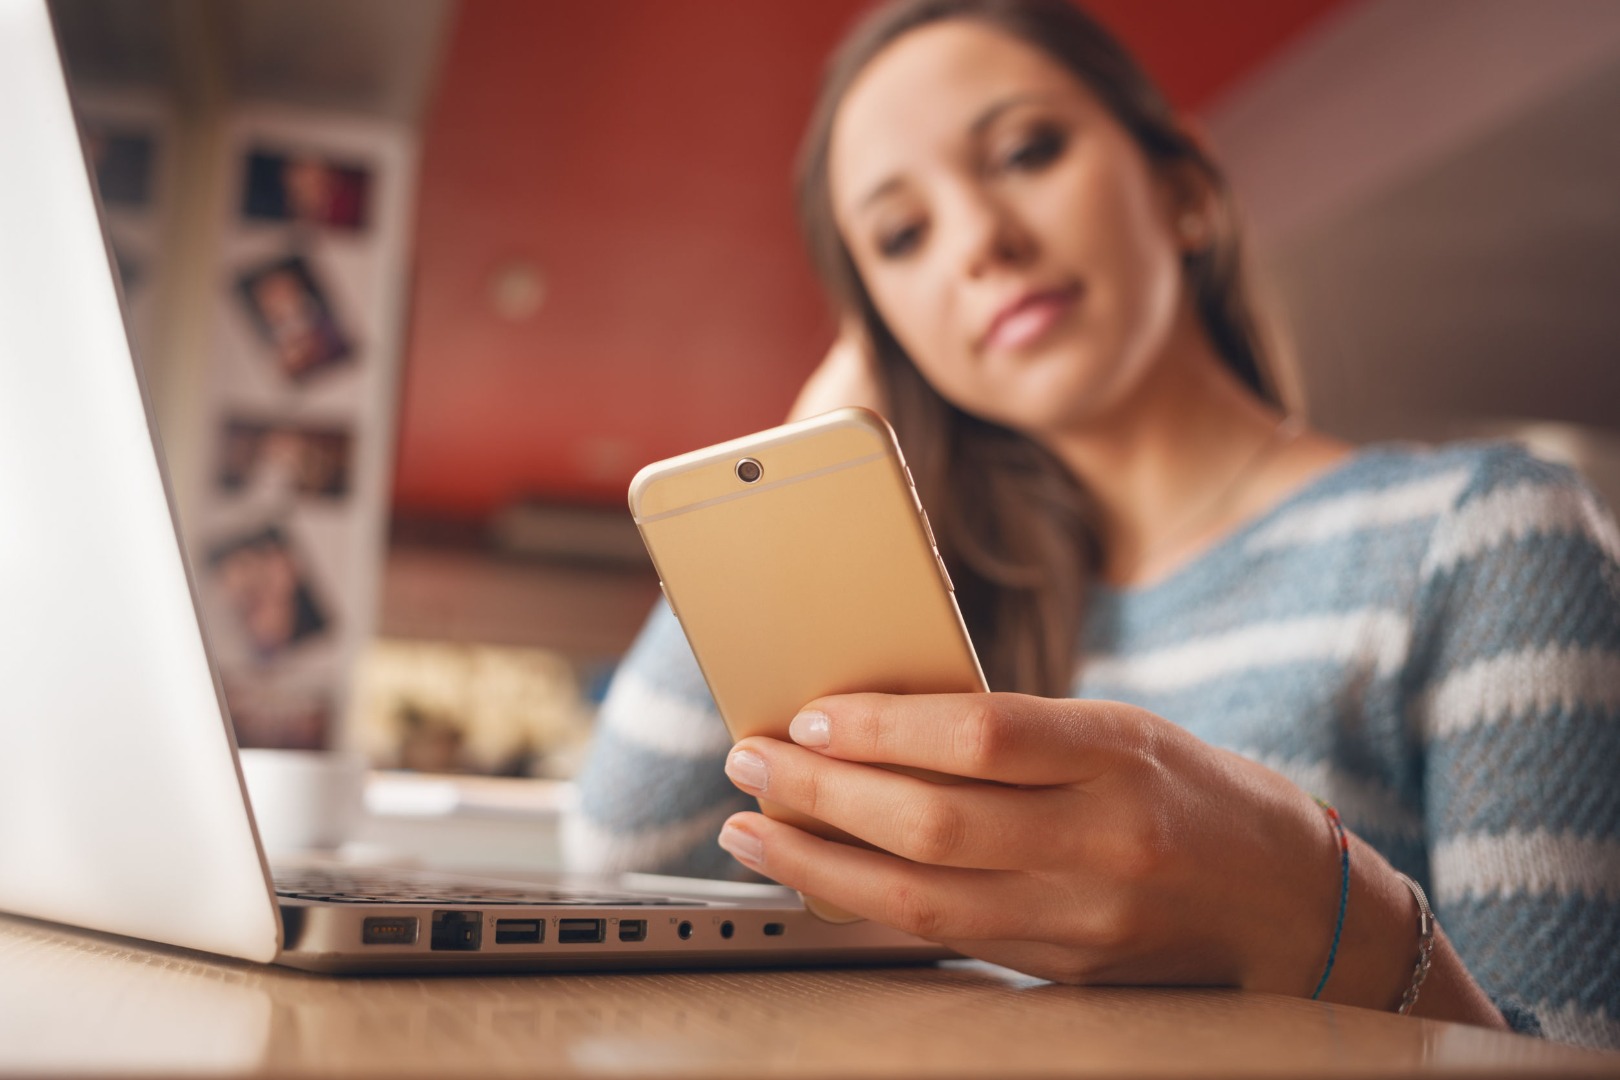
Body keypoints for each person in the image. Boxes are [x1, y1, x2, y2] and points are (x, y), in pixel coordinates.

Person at [565, 0, 1620, 1048]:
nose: (981, 241)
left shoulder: (1485, 534)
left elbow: (1567, 1055)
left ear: (1183, 189)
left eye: (1027, 151)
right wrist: (798, 462)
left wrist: (1324, 914)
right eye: (901, 237)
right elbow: (617, 856)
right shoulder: (944, 624)